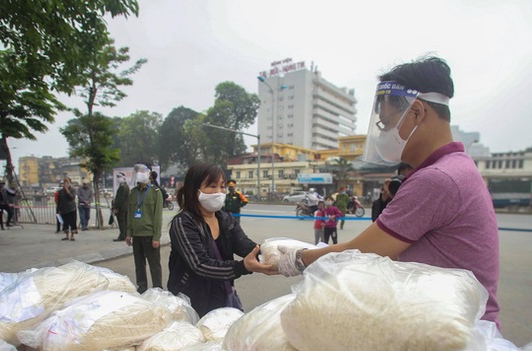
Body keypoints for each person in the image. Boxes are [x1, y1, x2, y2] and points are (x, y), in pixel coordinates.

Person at [278, 56, 502, 329]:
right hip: (451, 322)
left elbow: (359, 253)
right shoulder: (455, 167)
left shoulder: (437, 179)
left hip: (455, 336)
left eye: (386, 123)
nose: (383, 133)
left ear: (417, 112)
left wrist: (294, 259)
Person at [168, 163, 276, 317]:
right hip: (192, 299)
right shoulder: (184, 223)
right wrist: (243, 267)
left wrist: (275, 255)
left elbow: (246, 246)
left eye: (222, 187)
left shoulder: (225, 218)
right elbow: (200, 265)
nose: (219, 192)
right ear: (194, 189)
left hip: (222, 293)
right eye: (212, 186)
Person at [126, 164, 163, 293]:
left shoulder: (155, 192)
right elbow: (130, 213)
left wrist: (156, 236)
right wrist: (128, 233)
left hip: (149, 235)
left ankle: (158, 288)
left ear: (148, 174)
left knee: (154, 265)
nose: (140, 174)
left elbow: (158, 217)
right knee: (139, 265)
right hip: (136, 235)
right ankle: (142, 287)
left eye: (142, 171)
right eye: (138, 172)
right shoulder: (133, 193)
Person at [112, 172, 129, 241]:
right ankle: (125, 235)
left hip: (122, 208)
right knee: (125, 222)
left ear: (123, 178)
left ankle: (122, 235)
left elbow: (120, 198)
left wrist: (116, 207)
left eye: (119, 177)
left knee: (122, 222)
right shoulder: (125, 186)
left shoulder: (123, 187)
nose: (118, 179)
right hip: (126, 208)